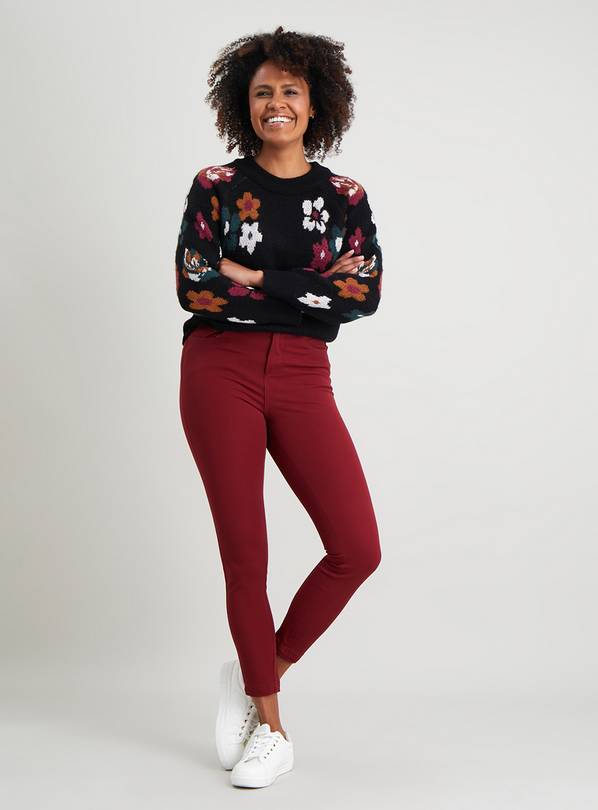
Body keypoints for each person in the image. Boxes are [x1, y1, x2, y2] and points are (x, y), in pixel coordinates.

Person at [176, 25, 383, 789]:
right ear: (245, 104)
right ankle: (271, 728)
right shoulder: (215, 186)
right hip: (218, 371)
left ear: (315, 102)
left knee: (356, 547)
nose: (276, 103)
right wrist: (309, 287)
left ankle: (259, 668)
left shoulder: (344, 197)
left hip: (303, 376)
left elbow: (361, 294)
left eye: (290, 91)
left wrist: (256, 278)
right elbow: (197, 287)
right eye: (262, 92)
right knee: (247, 554)